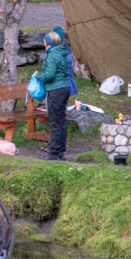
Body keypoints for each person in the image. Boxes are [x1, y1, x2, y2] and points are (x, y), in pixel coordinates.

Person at [39, 30, 71, 161]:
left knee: (55, 122)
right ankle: (60, 151)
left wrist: (38, 75)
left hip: (55, 90)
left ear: (47, 42)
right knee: (61, 121)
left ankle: (54, 152)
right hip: (64, 88)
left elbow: (49, 75)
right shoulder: (62, 52)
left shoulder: (52, 55)